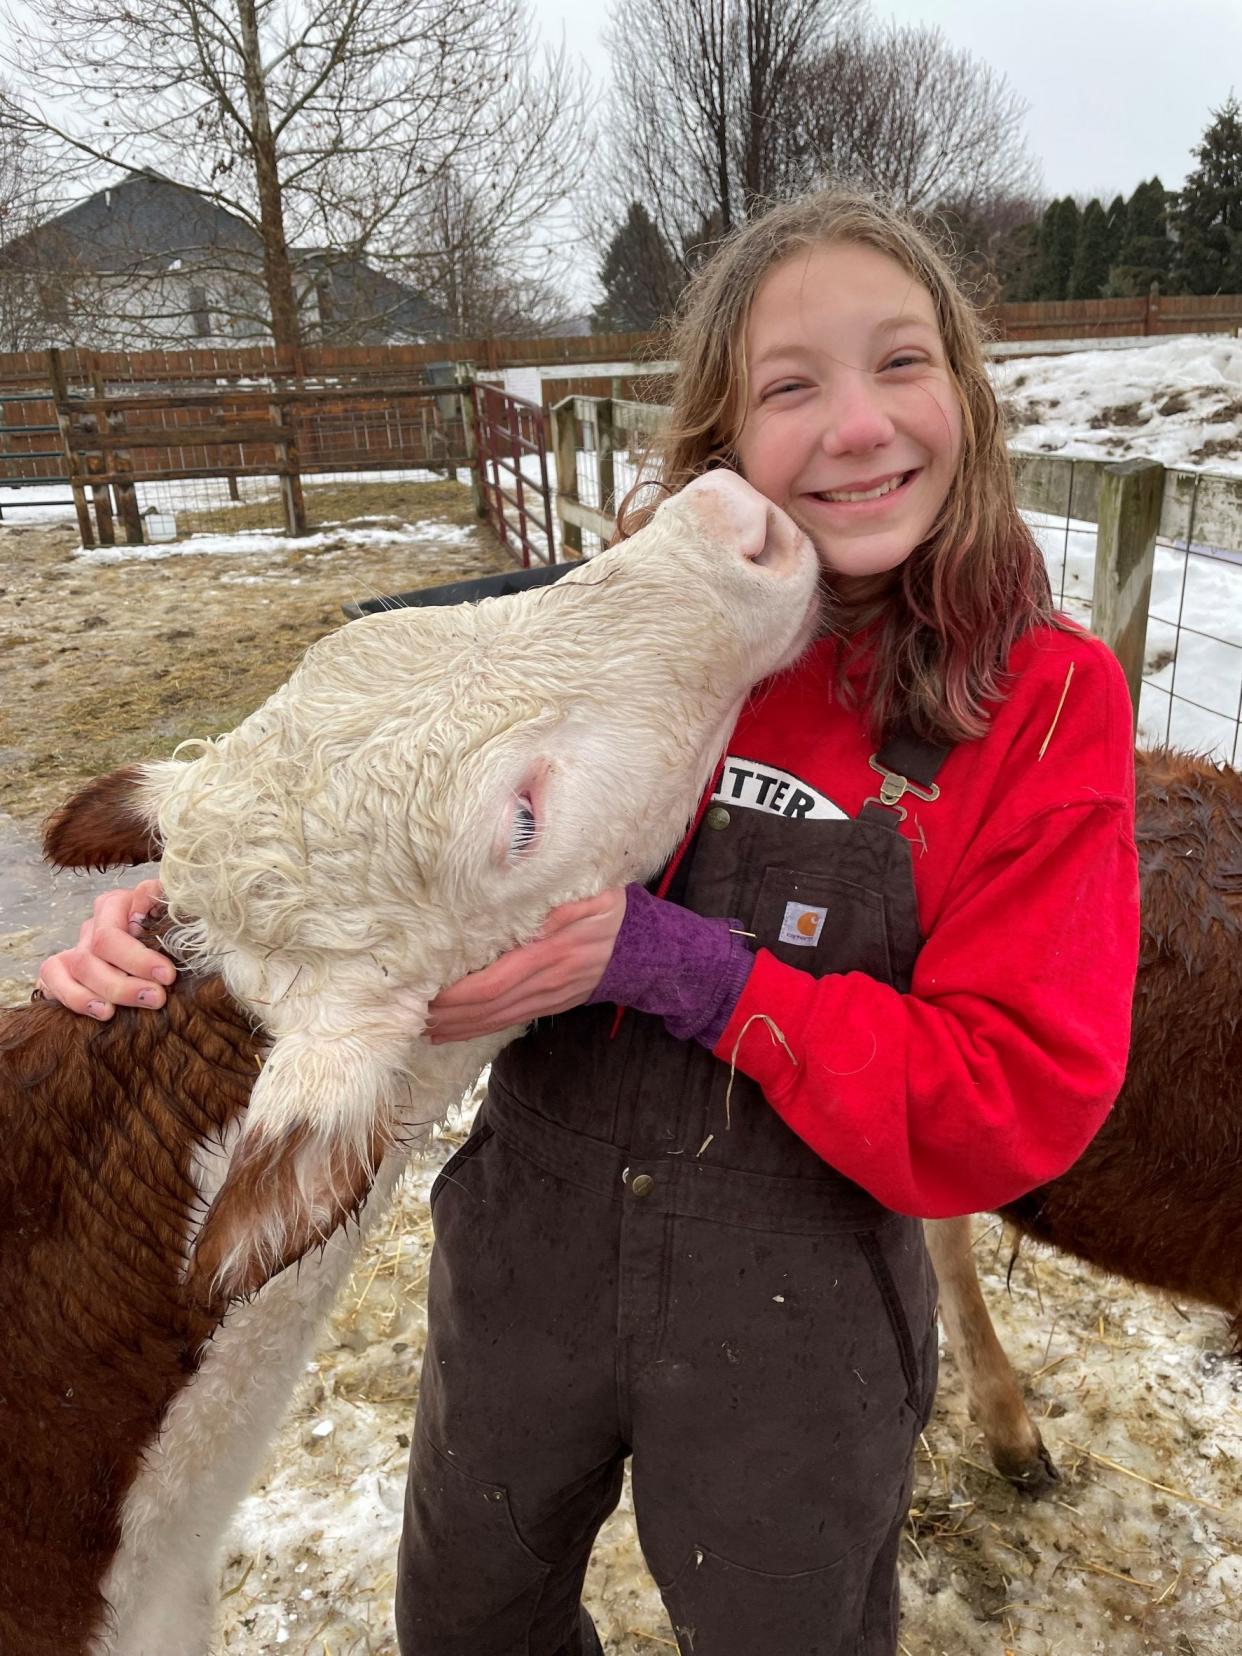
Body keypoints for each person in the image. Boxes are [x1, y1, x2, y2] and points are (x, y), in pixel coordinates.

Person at [37, 188, 1139, 1656]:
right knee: (468, 1623)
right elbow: (376, 788)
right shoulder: (662, 613)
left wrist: (677, 965)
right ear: (725, 437)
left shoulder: (1045, 704)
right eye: (789, 385)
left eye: (900, 362)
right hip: (523, 1265)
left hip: (793, 1323)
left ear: (965, 387)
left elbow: (1014, 1104)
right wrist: (190, 913)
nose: (857, 426)